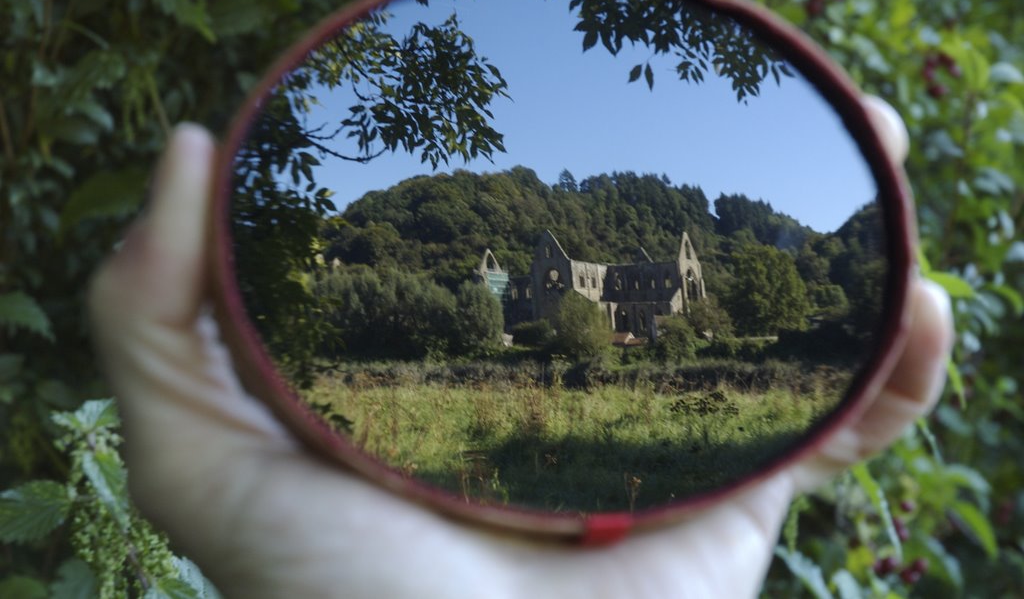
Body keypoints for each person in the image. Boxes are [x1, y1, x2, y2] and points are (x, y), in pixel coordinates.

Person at [88, 96, 952, 598]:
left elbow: (653, 298)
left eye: (675, 278)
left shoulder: (650, 277)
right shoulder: (568, 276)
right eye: (547, 277)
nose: (672, 283)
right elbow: (586, 297)